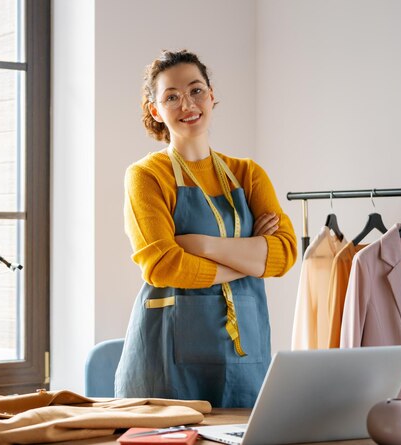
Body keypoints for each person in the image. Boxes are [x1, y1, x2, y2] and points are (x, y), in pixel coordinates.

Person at [114, 49, 297, 408]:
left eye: (196, 90)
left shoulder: (248, 174)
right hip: (168, 361)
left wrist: (201, 245)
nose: (187, 104)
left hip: (245, 353)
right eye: (171, 97)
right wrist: (249, 259)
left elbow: (285, 255)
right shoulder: (147, 176)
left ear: (211, 96)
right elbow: (163, 265)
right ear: (156, 110)